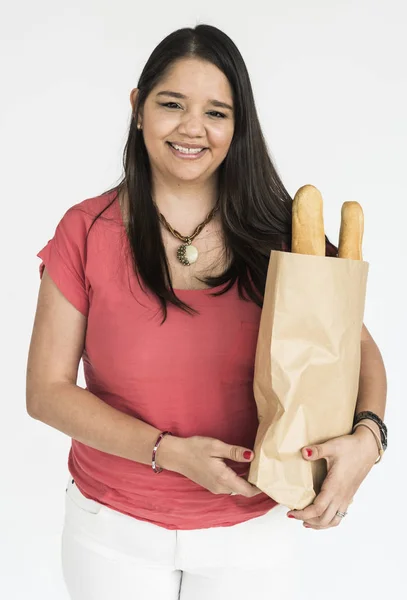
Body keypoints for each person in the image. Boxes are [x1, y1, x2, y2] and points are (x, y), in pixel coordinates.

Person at [26, 24, 387, 600]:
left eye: (216, 112)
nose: (193, 127)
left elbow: (358, 349)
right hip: (113, 531)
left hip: (256, 532)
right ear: (138, 108)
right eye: (172, 104)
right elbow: (45, 391)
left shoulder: (283, 231)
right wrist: (167, 453)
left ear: (238, 126)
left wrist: (370, 439)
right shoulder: (85, 231)